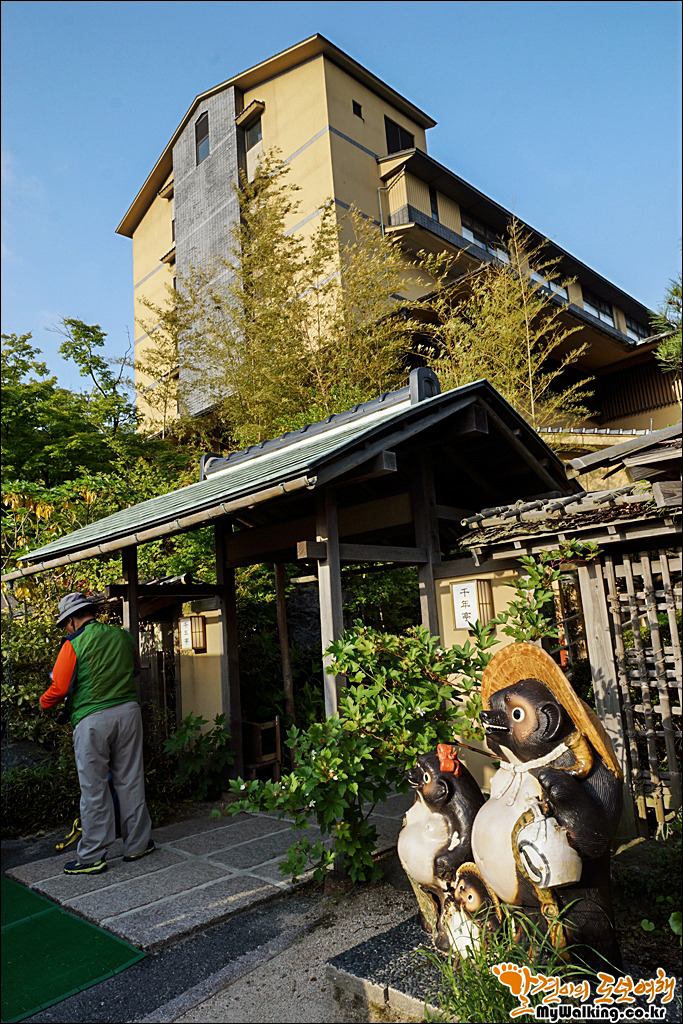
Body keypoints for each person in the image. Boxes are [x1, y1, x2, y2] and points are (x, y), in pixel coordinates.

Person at [40, 592, 155, 875]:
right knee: (130, 780)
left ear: (71, 620)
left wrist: (42, 702)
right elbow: (135, 670)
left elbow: (60, 688)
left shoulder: (73, 643)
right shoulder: (123, 637)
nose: (66, 628)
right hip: (129, 713)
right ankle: (137, 845)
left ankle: (92, 856)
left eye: (65, 624)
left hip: (92, 719)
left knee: (94, 788)